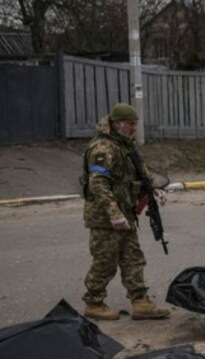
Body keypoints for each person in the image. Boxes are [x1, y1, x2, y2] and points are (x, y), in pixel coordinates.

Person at [81, 103, 170, 321]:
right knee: (105, 260)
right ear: (117, 123)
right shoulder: (103, 148)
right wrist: (114, 213)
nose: (134, 128)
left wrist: (156, 187)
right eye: (131, 124)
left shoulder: (125, 146)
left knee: (133, 258)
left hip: (126, 212)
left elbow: (142, 171)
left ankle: (140, 302)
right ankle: (93, 303)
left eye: (135, 124)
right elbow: (98, 184)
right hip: (105, 217)